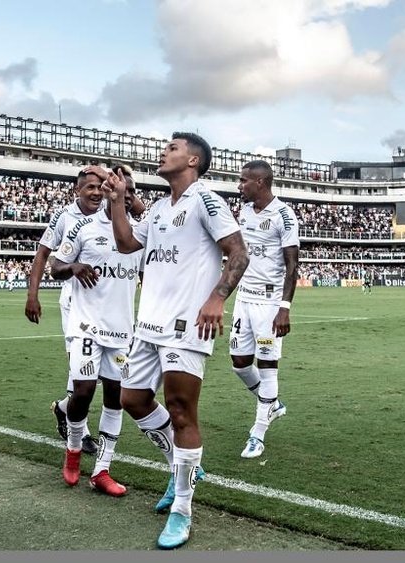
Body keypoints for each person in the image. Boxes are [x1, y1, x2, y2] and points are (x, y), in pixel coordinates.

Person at [103, 132, 248, 549]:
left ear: (193, 161)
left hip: (186, 324)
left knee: (181, 411)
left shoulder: (206, 199)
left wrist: (217, 298)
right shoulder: (162, 208)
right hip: (148, 323)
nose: (163, 152)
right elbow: (127, 243)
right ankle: (179, 465)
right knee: (132, 400)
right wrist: (117, 202)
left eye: (172, 148)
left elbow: (239, 253)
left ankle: (183, 509)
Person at [26, 165, 145, 455]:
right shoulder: (66, 217)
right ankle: (82, 432)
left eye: (99, 186)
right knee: (82, 373)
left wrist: (114, 182)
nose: (94, 192)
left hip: (114, 304)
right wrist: (33, 295)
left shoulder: (121, 212)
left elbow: (137, 205)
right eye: (89, 187)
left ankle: (66, 410)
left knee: (107, 379)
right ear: (77, 190)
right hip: (76, 297)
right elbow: (45, 254)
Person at [49, 166, 142, 497]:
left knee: (115, 398)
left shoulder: (141, 235)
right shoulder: (83, 228)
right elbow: (55, 266)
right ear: (108, 191)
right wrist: (73, 267)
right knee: (83, 392)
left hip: (121, 331)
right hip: (85, 325)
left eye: (130, 191)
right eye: (120, 189)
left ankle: (102, 470)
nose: (125, 195)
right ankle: (73, 449)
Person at [228, 160, 299, 459]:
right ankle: (270, 403)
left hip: (270, 304)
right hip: (244, 299)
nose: (239, 186)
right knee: (240, 363)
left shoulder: (284, 215)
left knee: (268, 366)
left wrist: (284, 308)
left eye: (244, 181)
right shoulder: (243, 211)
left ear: (260, 182)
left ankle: (257, 434)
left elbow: (292, 265)